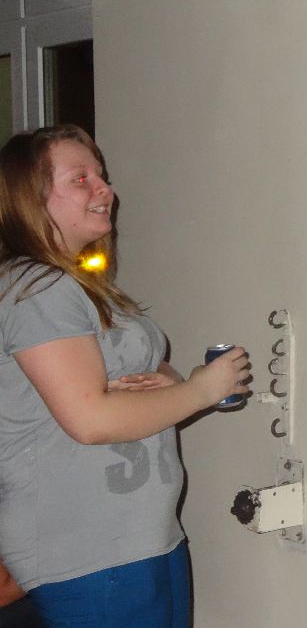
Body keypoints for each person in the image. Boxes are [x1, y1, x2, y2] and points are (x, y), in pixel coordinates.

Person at [0, 125, 251, 628]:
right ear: (31, 197)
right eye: (81, 178)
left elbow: (139, 369)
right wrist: (201, 391)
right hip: (86, 547)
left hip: (142, 536)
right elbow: (90, 419)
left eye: (102, 175)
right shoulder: (36, 287)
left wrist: (177, 385)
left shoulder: (82, 284)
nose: (106, 189)